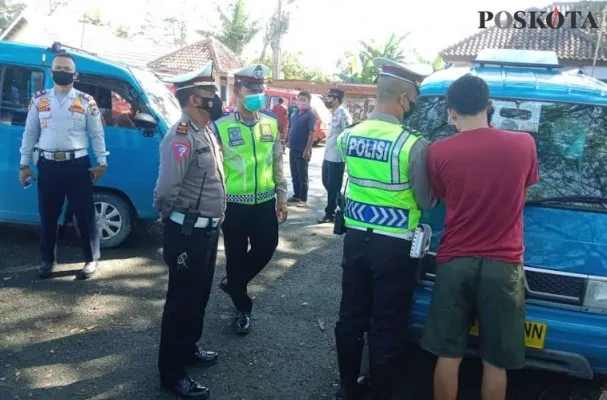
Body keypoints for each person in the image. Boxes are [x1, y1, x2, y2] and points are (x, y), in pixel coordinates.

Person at [421, 75, 539, 400]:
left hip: (455, 260)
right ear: (489, 106)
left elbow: (443, 197)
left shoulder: (438, 152)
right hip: (504, 265)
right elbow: (523, 190)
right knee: (495, 360)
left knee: (448, 353)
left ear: (450, 112)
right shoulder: (524, 144)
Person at [334, 57, 434, 400]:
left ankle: (346, 388)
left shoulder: (349, 135)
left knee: (350, 315)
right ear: (404, 98)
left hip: (356, 241)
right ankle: (380, 392)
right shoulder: (413, 144)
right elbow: (425, 201)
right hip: (394, 247)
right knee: (386, 323)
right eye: (413, 101)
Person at [153, 61, 226, 398]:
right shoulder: (180, 135)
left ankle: (188, 348)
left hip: (207, 232)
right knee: (180, 303)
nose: (216, 97)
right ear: (194, 99)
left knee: (198, 296)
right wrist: (169, 217)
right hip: (187, 233)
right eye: (209, 93)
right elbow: (167, 188)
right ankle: (172, 374)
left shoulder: (207, 130)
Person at [212, 64, 288, 335]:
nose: (257, 93)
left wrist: (282, 195)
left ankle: (233, 282)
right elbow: (216, 169)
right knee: (234, 257)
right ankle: (242, 307)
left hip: (265, 202)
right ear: (237, 92)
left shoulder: (270, 122)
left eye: (260, 88)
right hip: (233, 206)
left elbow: (277, 161)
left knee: (267, 247)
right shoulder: (220, 126)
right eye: (251, 89)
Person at [19, 51, 107, 280]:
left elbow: (97, 134)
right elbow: (30, 133)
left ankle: (91, 259)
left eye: (67, 69)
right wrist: (24, 164)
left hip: (77, 166)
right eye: (59, 68)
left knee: (84, 215)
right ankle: (47, 260)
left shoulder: (86, 101)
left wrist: (101, 162)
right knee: (47, 215)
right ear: (51, 71)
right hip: (47, 165)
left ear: (75, 74)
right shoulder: (39, 99)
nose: (63, 72)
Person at [318, 88, 352, 224]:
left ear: (337, 100)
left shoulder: (343, 114)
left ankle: (330, 213)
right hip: (328, 155)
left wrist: (347, 156)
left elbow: (348, 133)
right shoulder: (333, 113)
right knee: (327, 182)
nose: (327, 100)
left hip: (337, 158)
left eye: (330, 97)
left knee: (333, 186)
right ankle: (342, 205)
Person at [286, 90, 316, 208]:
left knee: (303, 174)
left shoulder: (311, 114)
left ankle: (303, 198)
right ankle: (296, 195)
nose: (301, 102)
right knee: (294, 173)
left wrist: (307, 150)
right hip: (292, 147)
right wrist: (285, 142)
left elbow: (311, 133)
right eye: (299, 99)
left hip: (303, 149)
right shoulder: (294, 113)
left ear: (308, 102)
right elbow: (290, 128)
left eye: (304, 100)